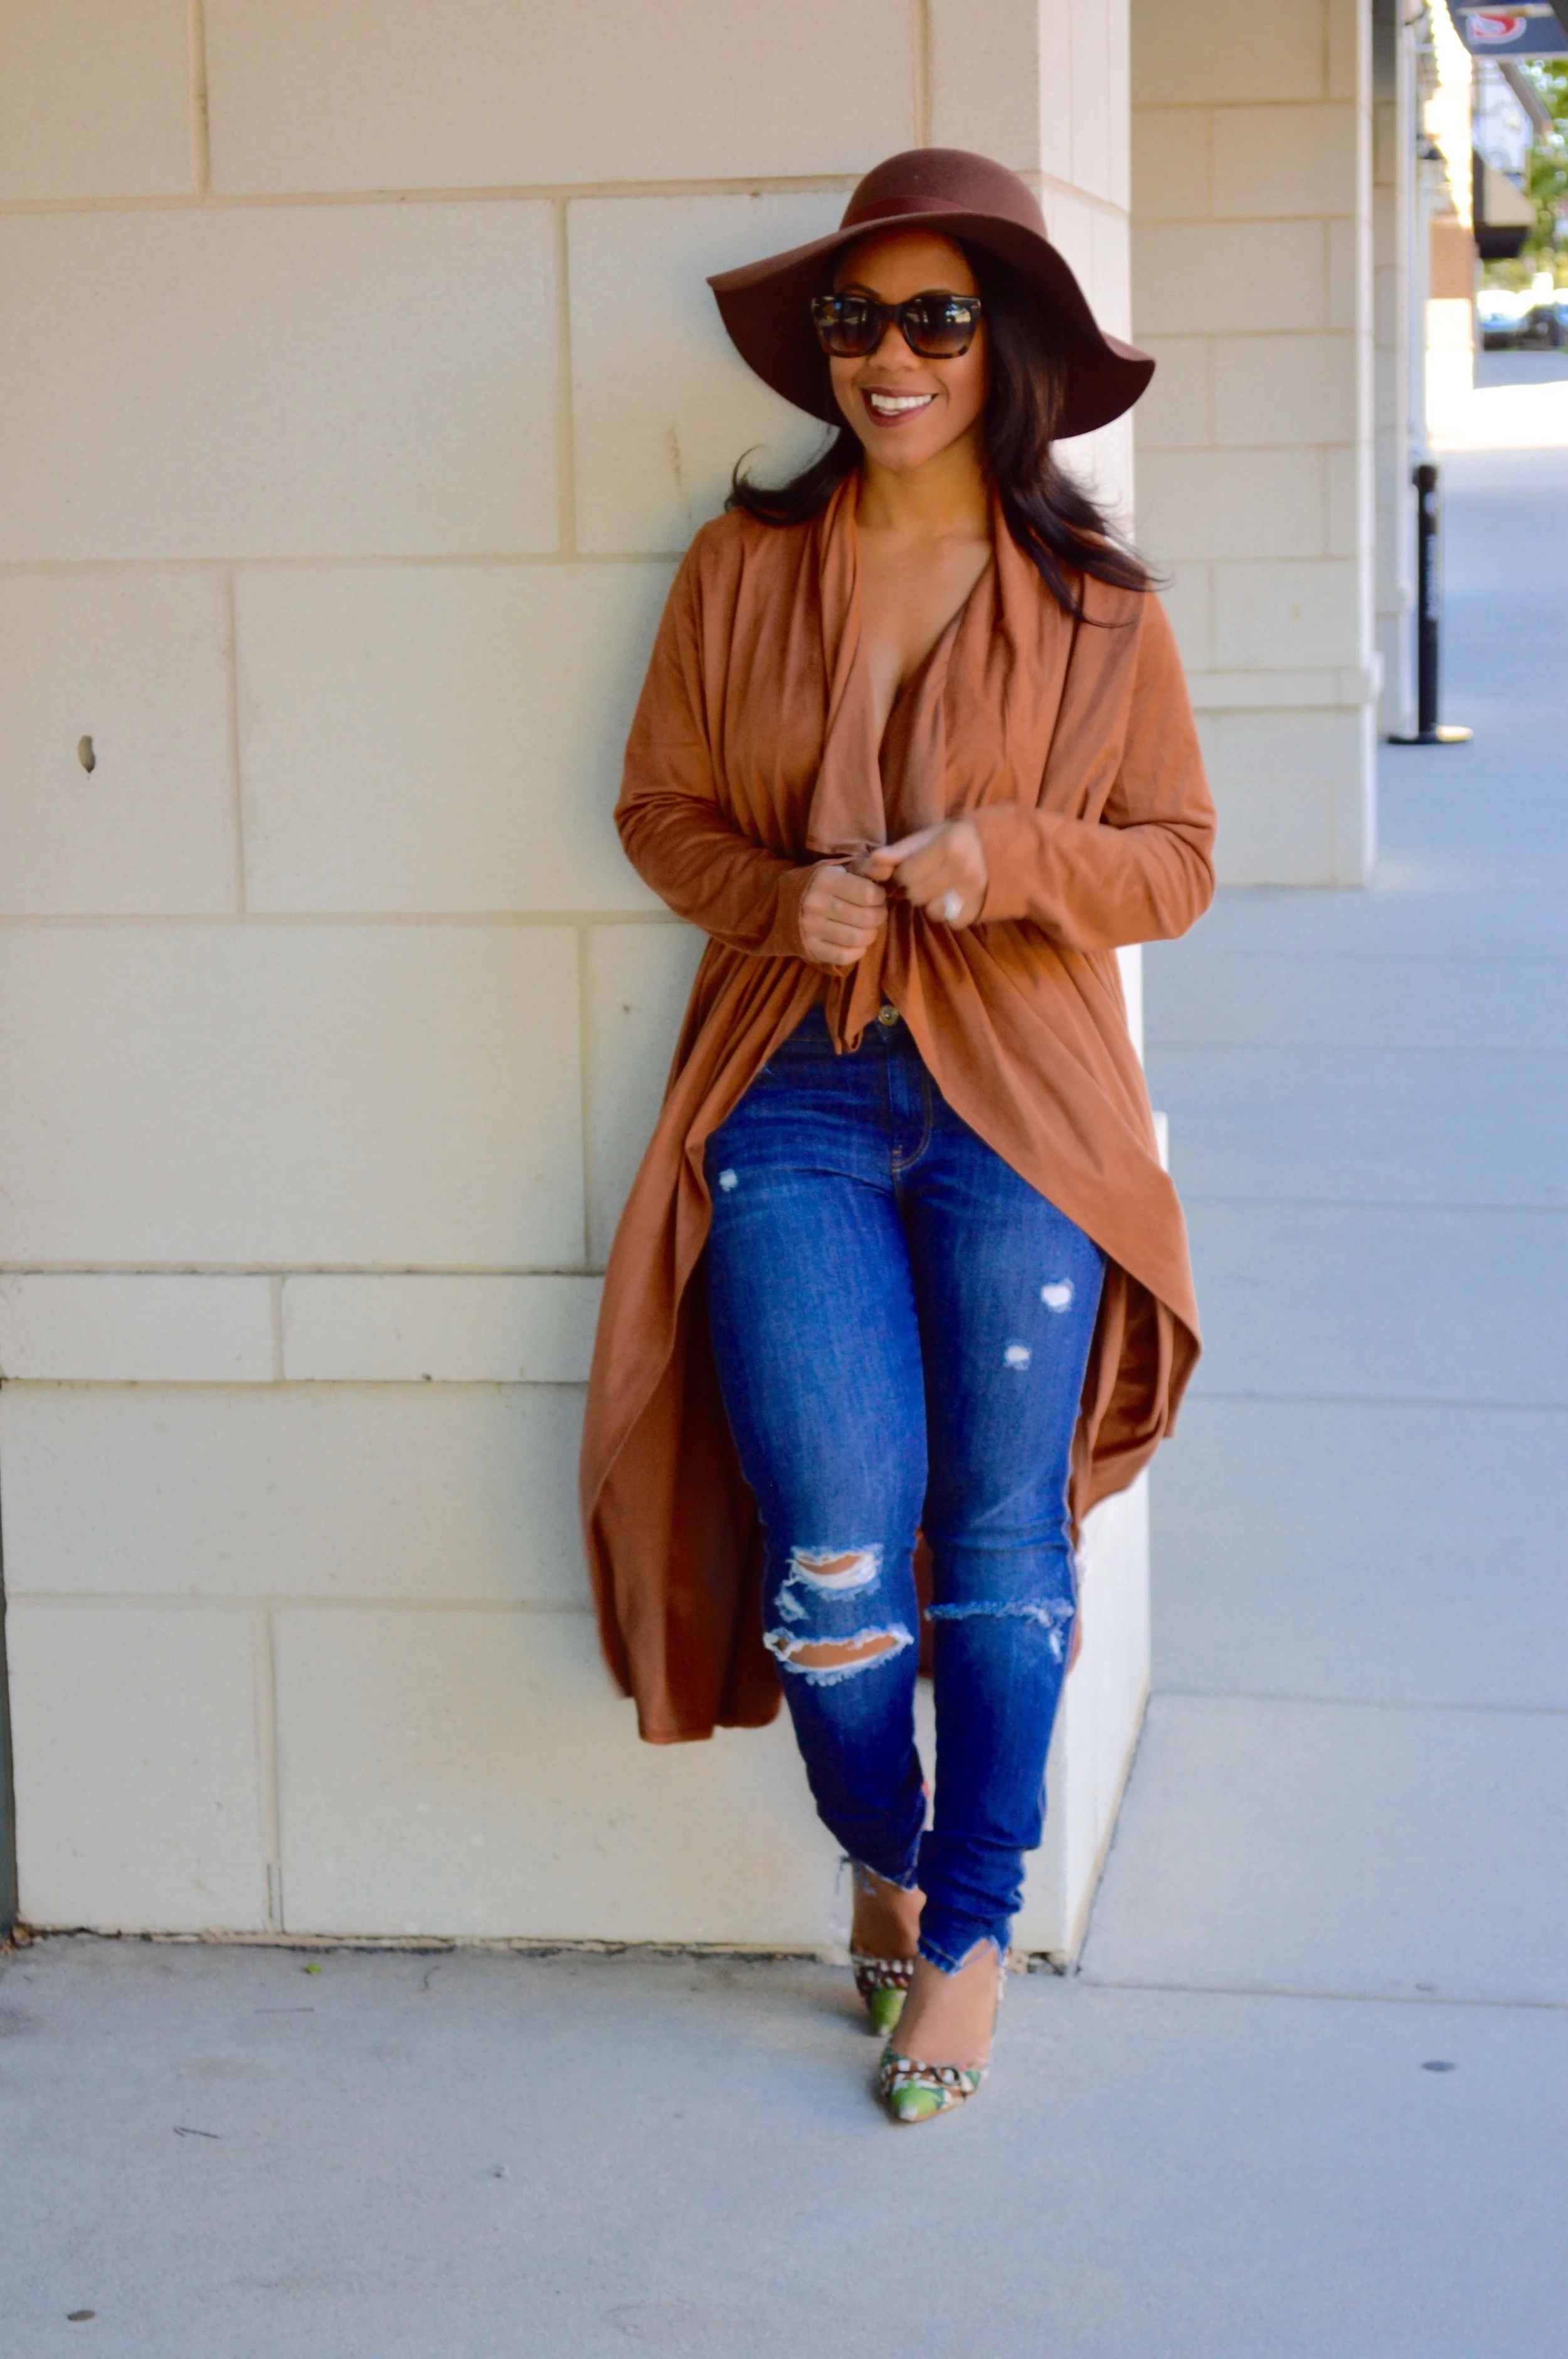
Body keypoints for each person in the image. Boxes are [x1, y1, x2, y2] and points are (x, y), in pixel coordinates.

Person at [580, 148, 1214, 2124]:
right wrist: (784, 901)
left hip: (1021, 1105)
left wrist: (1011, 856)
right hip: (794, 1090)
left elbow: (1176, 866)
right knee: (836, 1551)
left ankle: (968, 1932)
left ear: (1002, 347)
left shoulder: (1095, 606)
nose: (890, 358)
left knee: (1001, 1544)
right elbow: (658, 811)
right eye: (854, 322)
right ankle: (881, 1849)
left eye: (935, 318)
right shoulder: (742, 567)